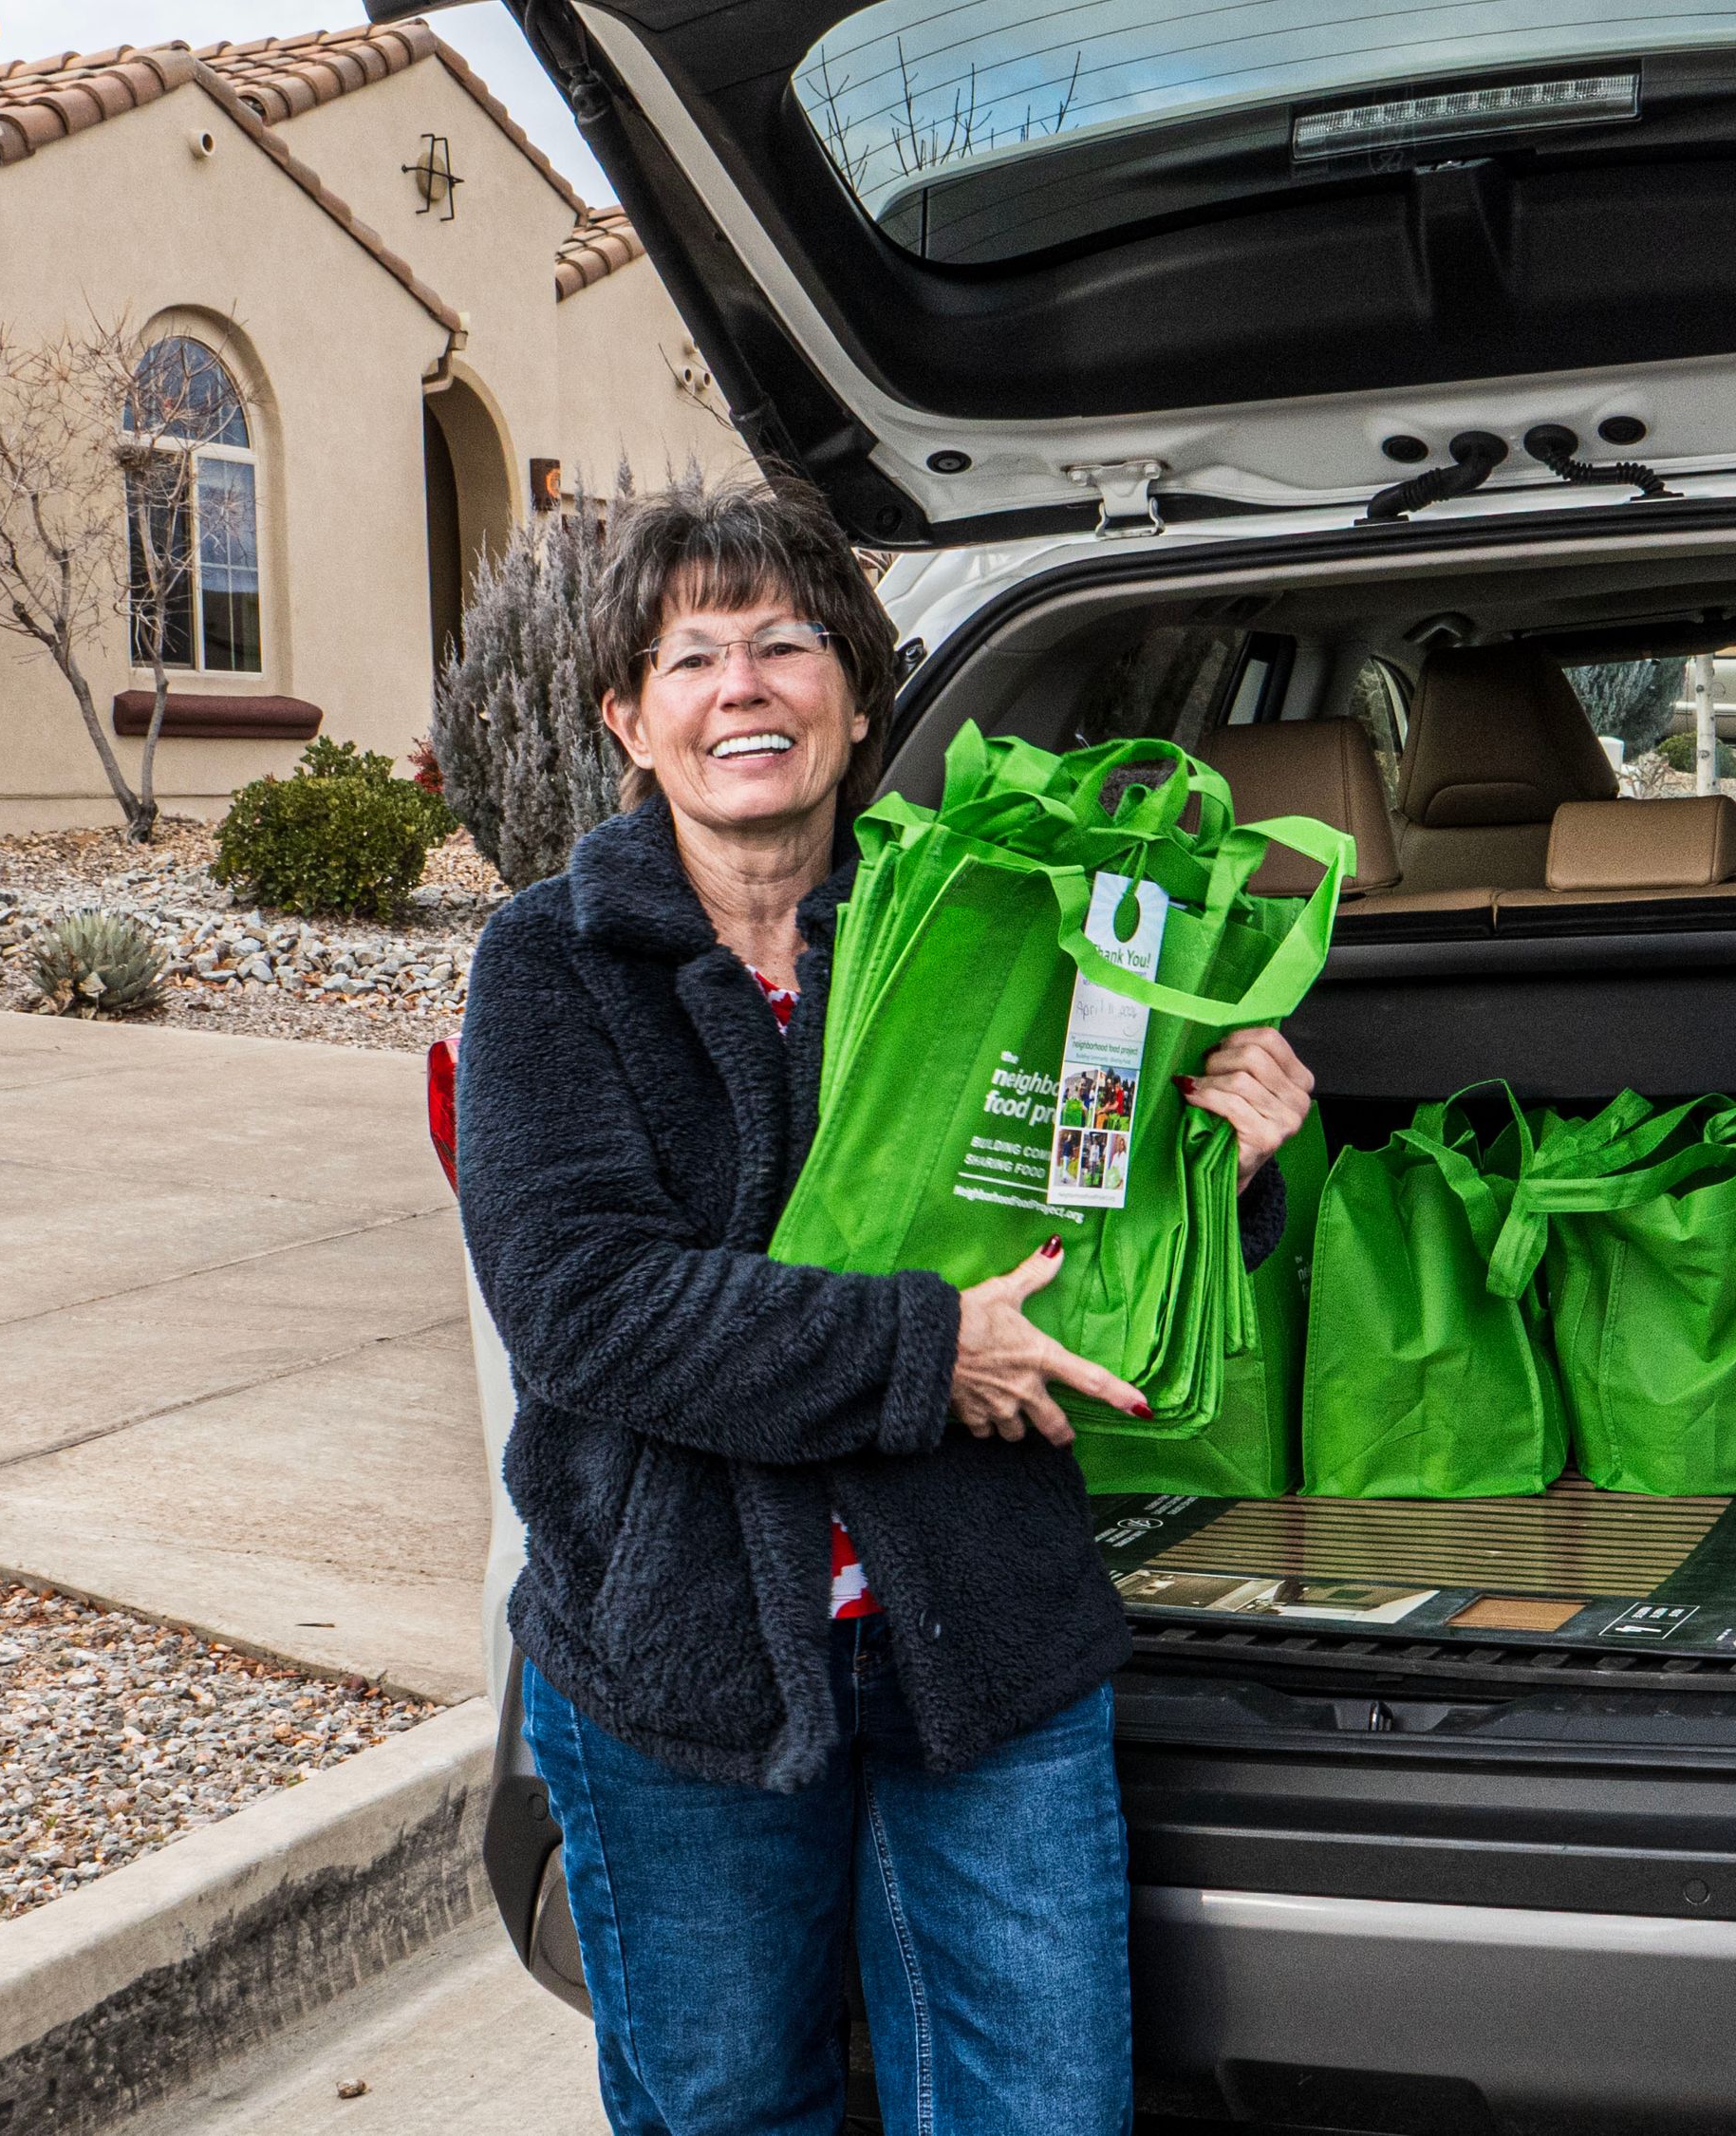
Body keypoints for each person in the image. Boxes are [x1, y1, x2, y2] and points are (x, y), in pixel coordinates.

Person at [455, 469, 1316, 2136]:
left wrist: (1232, 1162)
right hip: (676, 1662)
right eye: (695, 658)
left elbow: (1095, 1214)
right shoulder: (550, 967)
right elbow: (584, 1305)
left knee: (1045, 2109)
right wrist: (934, 1348)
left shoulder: (982, 923)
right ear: (631, 719)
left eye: (787, 645)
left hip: (985, 1636)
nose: (746, 689)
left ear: (857, 703)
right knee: (727, 2112)